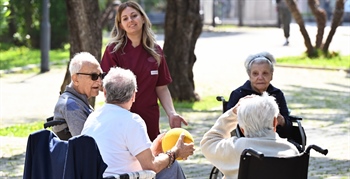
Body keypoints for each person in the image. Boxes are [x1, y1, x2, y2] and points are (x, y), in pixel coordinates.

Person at [81, 67, 195, 179]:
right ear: (134, 95)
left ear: (105, 92)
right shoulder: (132, 121)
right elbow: (151, 167)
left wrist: (154, 149)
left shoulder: (92, 118)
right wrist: (175, 152)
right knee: (172, 166)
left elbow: (119, 156)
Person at [100, 1, 187, 141]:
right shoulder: (113, 51)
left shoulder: (156, 51)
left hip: (149, 118)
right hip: (121, 119)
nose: (130, 20)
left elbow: (162, 88)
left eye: (134, 15)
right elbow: (105, 87)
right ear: (121, 25)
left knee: (150, 159)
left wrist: (172, 113)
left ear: (142, 18)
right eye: (125, 18)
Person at [200, 92, 300, 179]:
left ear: (242, 129)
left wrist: (233, 113)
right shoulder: (291, 150)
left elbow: (208, 141)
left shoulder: (236, 148)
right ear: (275, 123)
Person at [226, 51, 292, 138]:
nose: (260, 78)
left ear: (271, 75)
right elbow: (228, 124)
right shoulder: (238, 94)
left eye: (265, 73)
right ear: (249, 75)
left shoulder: (277, 94)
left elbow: (288, 126)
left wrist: (282, 121)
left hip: (275, 139)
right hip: (246, 141)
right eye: (255, 73)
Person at [52, 52, 104, 140]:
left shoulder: (78, 100)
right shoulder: (71, 105)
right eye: (94, 76)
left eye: (101, 76)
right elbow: (86, 144)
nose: (99, 81)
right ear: (75, 79)